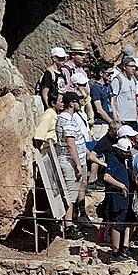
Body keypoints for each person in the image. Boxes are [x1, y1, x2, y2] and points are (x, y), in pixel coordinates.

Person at [56, 91, 87, 239]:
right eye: (77, 101)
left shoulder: (69, 118)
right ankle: (67, 227)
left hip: (72, 162)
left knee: (72, 195)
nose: (80, 104)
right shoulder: (66, 120)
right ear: (71, 103)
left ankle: (69, 223)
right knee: (70, 197)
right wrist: (78, 164)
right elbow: (70, 144)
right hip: (69, 163)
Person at [102, 137, 134, 262]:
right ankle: (115, 253)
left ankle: (121, 249)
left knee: (122, 222)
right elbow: (107, 176)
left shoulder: (122, 161)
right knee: (117, 223)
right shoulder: (113, 160)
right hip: (117, 197)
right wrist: (121, 185)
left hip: (124, 198)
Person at [111, 56, 138, 128]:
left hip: (133, 118)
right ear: (124, 67)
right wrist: (116, 118)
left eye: (135, 66)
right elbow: (113, 101)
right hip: (123, 119)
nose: (134, 68)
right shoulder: (117, 80)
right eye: (131, 66)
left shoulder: (133, 79)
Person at [90, 62, 114, 140]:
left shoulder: (109, 86)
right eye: (108, 73)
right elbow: (99, 109)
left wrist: (116, 119)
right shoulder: (96, 88)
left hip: (110, 122)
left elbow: (113, 103)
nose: (111, 75)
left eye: (112, 73)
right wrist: (111, 121)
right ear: (101, 73)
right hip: (100, 124)